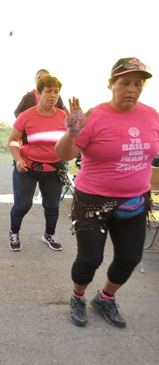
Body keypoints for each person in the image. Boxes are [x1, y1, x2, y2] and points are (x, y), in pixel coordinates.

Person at [55, 57, 158, 328]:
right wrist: (72, 132)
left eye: (138, 84)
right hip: (92, 200)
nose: (131, 89)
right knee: (90, 259)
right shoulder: (94, 116)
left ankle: (105, 298)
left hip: (134, 199)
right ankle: (78, 296)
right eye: (125, 83)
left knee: (129, 258)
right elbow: (64, 155)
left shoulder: (151, 115)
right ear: (111, 85)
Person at [8, 75, 71, 252]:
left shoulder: (63, 116)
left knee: (52, 206)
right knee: (22, 205)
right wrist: (18, 159)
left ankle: (49, 234)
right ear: (38, 93)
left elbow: (70, 141)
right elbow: (13, 140)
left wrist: (76, 130)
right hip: (27, 167)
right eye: (48, 91)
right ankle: (14, 232)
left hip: (53, 169)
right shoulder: (26, 116)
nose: (53, 95)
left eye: (56, 92)